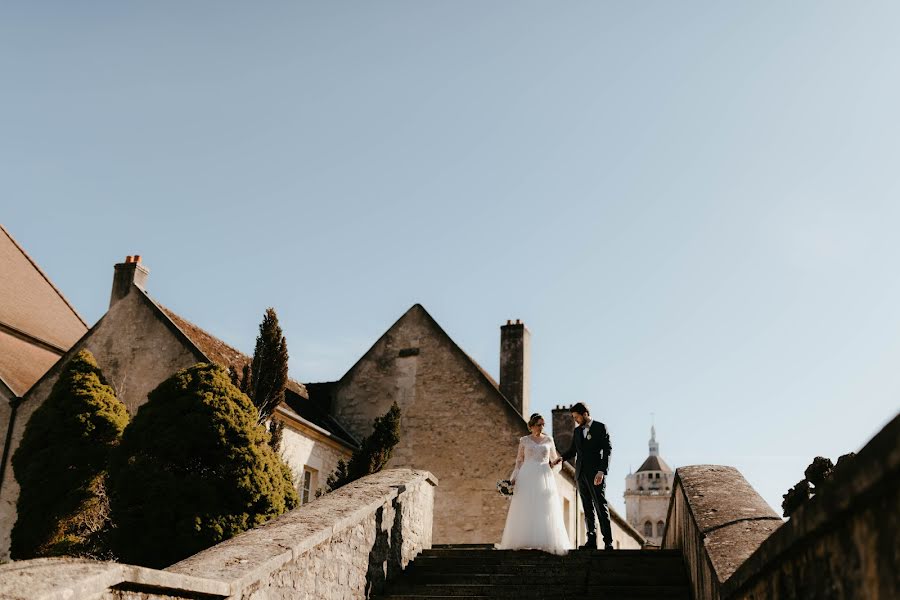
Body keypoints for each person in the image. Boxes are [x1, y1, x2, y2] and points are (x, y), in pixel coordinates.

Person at [497, 413, 572, 555]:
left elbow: (554, 459)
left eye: (543, 424)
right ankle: (524, 540)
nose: (542, 427)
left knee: (544, 506)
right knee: (526, 505)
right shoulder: (524, 440)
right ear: (531, 426)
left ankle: (543, 541)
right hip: (527, 474)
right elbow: (519, 461)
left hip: (544, 475)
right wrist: (514, 478)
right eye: (539, 424)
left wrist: (555, 463)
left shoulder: (549, 439)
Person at [554, 402, 613, 550]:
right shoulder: (577, 431)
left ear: (585, 413)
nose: (575, 420)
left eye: (577, 417)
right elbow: (573, 450)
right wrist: (561, 457)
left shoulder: (601, 427)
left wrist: (602, 471)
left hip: (596, 474)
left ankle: (608, 541)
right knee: (587, 509)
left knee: (600, 506)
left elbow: (607, 450)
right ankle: (591, 541)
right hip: (580, 474)